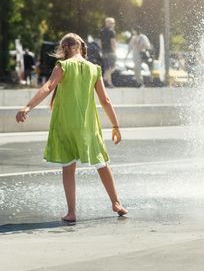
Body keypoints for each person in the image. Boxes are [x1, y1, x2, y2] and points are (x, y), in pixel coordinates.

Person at [16, 33, 128, 222]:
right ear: (82, 47)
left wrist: (28, 107)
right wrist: (116, 125)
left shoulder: (63, 66)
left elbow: (48, 87)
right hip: (88, 125)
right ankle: (116, 203)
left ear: (63, 49)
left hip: (65, 124)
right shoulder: (94, 68)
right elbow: (105, 100)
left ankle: (72, 212)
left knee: (68, 167)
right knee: (101, 163)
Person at [99, 17, 117, 88]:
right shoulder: (111, 31)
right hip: (110, 52)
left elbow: (100, 42)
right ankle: (104, 78)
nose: (113, 24)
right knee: (113, 67)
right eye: (112, 23)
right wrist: (114, 51)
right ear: (108, 23)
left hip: (104, 52)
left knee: (107, 68)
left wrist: (101, 50)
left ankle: (110, 83)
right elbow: (113, 42)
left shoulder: (101, 31)